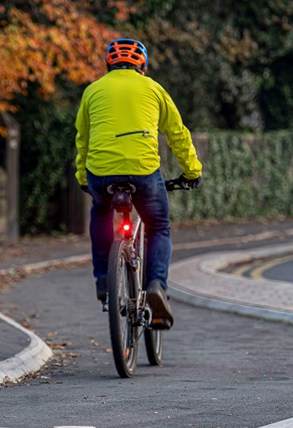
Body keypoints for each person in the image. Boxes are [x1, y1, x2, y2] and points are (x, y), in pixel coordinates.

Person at [75, 38, 202, 330]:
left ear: (108, 64)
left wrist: (83, 178)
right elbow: (177, 134)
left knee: (100, 212)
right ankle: (156, 283)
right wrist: (192, 171)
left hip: (101, 172)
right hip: (144, 172)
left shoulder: (92, 91)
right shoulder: (154, 89)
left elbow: (82, 139)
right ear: (143, 65)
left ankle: (103, 281)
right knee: (158, 226)